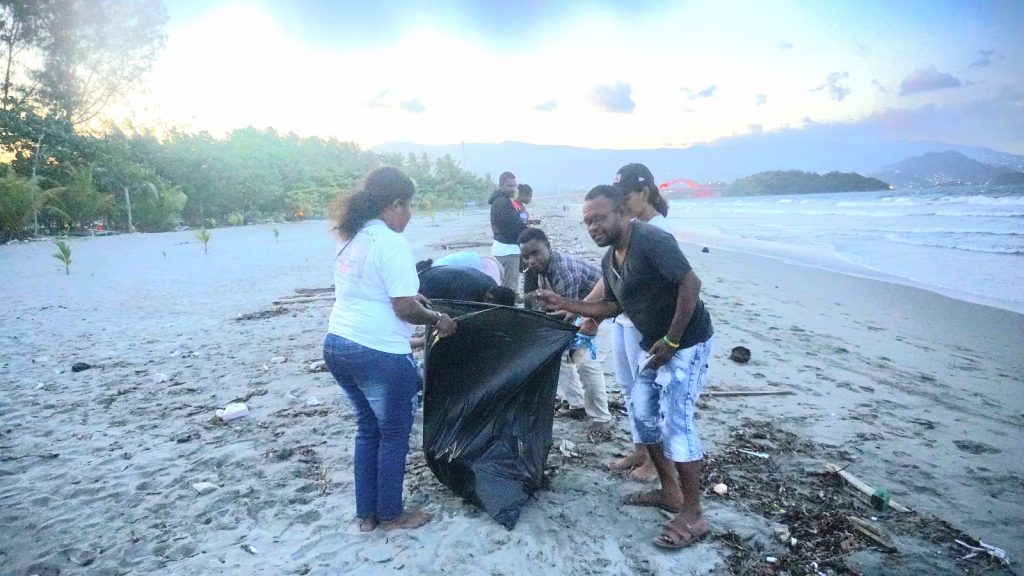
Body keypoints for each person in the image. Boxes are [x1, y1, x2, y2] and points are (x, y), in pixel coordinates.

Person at [530, 184, 714, 550]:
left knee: (677, 423)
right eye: (587, 222)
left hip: (687, 343)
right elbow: (611, 307)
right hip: (654, 345)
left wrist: (674, 339)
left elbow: (691, 283)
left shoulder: (651, 240)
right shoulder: (609, 260)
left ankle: (694, 514)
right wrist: (563, 303)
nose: (593, 226)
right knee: (643, 416)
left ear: (622, 213)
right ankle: (670, 493)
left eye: (599, 218)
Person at [322, 167, 458, 533]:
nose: (410, 215)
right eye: (408, 206)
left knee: (368, 429)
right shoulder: (391, 242)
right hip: (378, 351)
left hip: (337, 343)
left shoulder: (350, 236)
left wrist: (413, 295)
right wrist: (437, 318)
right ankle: (391, 514)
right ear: (394, 203)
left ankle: (367, 514)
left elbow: (370, 288)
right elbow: (404, 309)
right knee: (394, 433)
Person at [582, 163, 672, 482]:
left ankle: (656, 464)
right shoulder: (629, 230)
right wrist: (584, 310)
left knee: (649, 393)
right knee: (627, 386)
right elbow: (610, 278)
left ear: (644, 193)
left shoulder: (658, 233)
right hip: (622, 320)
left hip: (645, 326)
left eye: (626, 198)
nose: (621, 205)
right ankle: (640, 449)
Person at [519, 227, 611, 431]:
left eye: (535, 253)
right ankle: (577, 404)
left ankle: (601, 418)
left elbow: (568, 314)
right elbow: (546, 307)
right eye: (526, 257)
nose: (531, 261)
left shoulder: (563, 269)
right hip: (577, 309)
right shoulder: (539, 271)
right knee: (558, 357)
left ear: (548, 247)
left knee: (585, 361)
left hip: (604, 311)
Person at [489, 171, 528, 290]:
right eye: (509, 186)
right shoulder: (502, 202)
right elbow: (513, 225)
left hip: (503, 248)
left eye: (514, 185)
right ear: (501, 186)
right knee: (510, 286)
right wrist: (531, 235)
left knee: (504, 283)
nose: (513, 189)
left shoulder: (500, 200)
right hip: (507, 249)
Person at [418, 265, 516, 306]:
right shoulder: (469, 293)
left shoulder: (492, 285)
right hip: (428, 283)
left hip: (446, 275)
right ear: (488, 298)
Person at [416, 251, 503, 284]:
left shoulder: (437, 270)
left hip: (485, 264)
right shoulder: (437, 267)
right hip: (479, 263)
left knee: (493, 295)